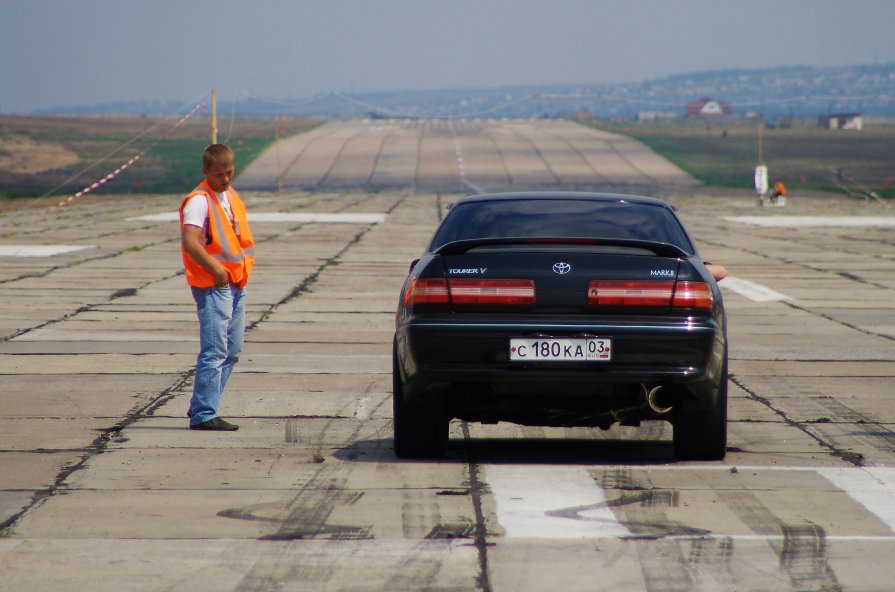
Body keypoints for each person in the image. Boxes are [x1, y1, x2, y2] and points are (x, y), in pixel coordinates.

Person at [179, 144, 255, 431]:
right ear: (206, 171)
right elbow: (190, 241)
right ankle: (204, 413)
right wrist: (216, 269)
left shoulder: (229, 195)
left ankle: (202, 405)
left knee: (232, 350)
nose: (225, 179)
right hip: (214, 284)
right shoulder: (199, 201)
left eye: (230, 173)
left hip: (236, 282)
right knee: (214, 351)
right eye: (219, 174)